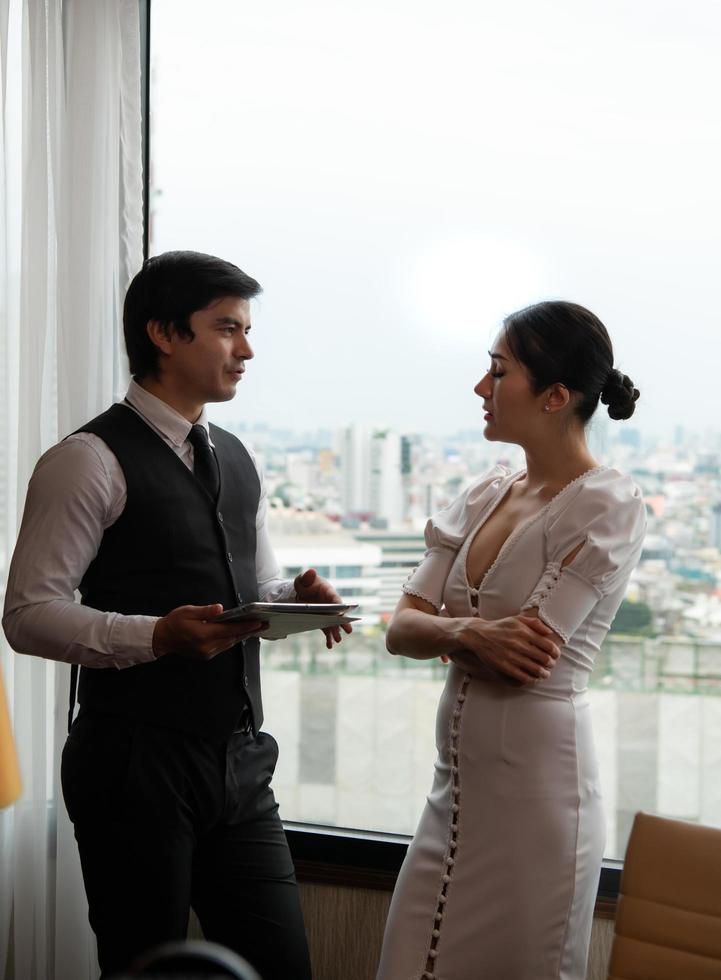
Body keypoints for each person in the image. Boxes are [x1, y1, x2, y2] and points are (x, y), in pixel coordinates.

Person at [2, 250, 350, 980]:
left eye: (246, 330)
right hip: (133, 764)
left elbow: (249, 587)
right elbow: (28, 614)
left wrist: (295, 602)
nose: (247, 350)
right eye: (227, 328)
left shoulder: (238, 456)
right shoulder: (87, 459)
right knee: (144, 969)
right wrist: (155, 636)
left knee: (282, 966)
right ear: (163, 333)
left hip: (240, 760)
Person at [375, 301, 646, 980]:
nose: (479, 388)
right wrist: (466, 631)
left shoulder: (603, 503)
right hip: (453, 795)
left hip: (538, 796)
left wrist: (444, 631)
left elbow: (525, 655)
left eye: (497, 372)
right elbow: (400, 629)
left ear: (555, 397)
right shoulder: (485, 491)